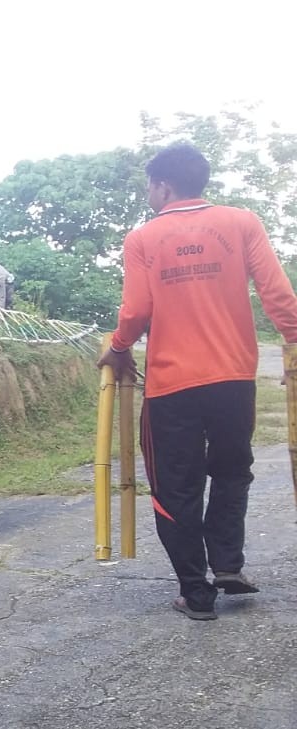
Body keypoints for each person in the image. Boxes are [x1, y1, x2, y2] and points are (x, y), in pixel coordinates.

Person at [98, 141, 297, 621]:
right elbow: (278, 295)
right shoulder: (242, 222)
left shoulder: (143, 238)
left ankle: (197, 591)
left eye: (149, 184)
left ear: (163, 185)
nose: (148, 193)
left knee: (176, 488)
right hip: (234, 380)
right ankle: (227, 565)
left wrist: (119, 348)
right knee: (232, 472)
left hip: (172, 388)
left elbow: (137, 311)